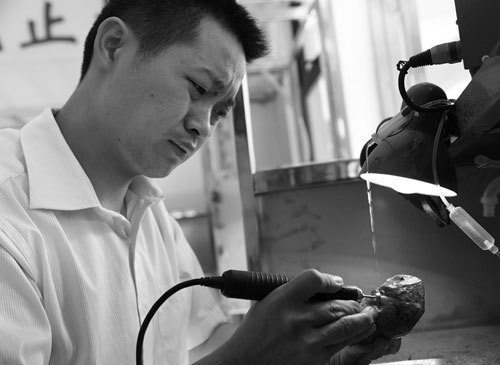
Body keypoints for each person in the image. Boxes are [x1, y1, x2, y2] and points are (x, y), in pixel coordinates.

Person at [0, 0, 400, 364]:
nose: (202, 126)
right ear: (114, 45)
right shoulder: (10, 211)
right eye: (197, 89)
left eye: (220, 111)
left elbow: (201, 345)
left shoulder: (148, 211)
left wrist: (320, 353)